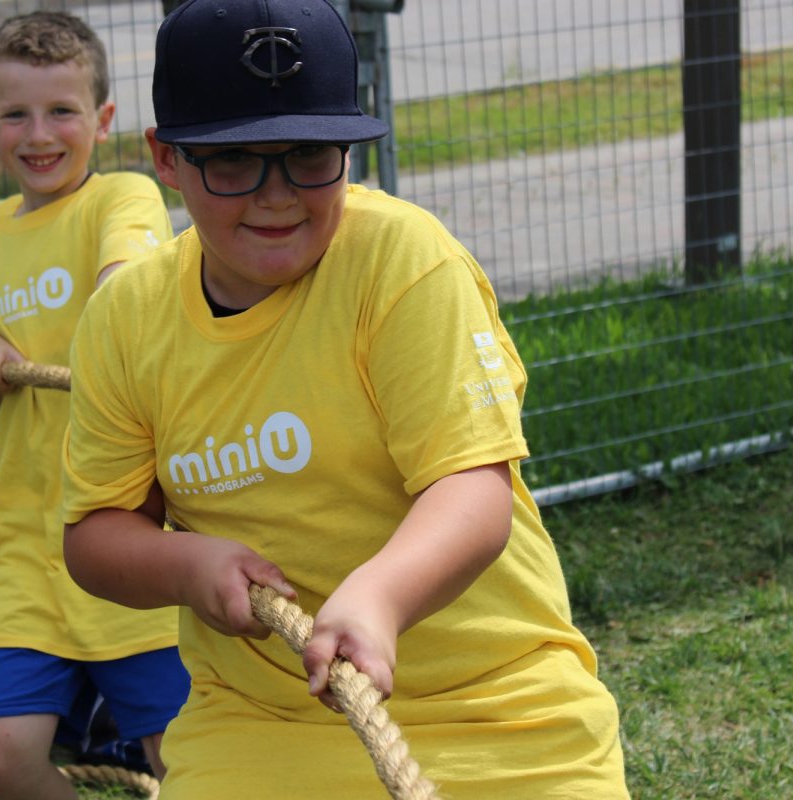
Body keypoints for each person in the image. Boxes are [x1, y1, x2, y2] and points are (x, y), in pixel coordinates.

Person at [59, 0, 631, 797]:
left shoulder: (403, 263)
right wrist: (184, 564)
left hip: (497, 706)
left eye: (310, 155)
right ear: (165, 158)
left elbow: (472, 491)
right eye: (233, 163)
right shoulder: (126, 320)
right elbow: (95, 535)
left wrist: (380, 596)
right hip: (263, 717)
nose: (277, 195)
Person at [0, 12, 186, 798]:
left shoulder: (122, 195)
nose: (39, 134)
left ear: (104, 120)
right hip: (23, 542)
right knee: (0, 753)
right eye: (15, 114)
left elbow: (129, 273)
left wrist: (115, 289)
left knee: (179, 752)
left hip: (122, 522)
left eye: (62, 111)